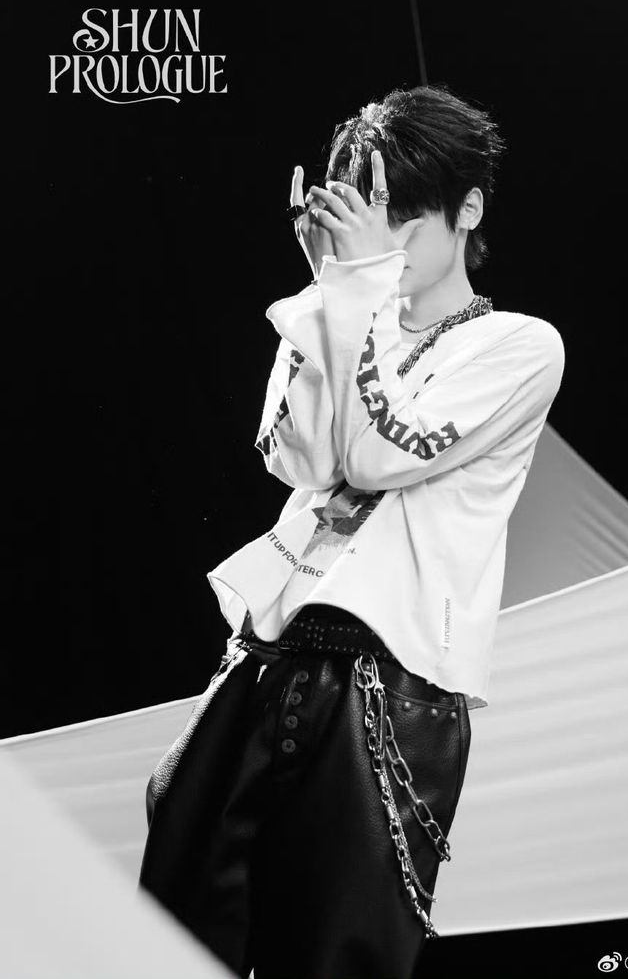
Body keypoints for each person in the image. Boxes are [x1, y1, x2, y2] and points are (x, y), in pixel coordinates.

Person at [138, 83, 566, 979]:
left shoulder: (519, 345)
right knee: (172, 932)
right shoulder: (341, 312)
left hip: (385, 683)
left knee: (333, 957)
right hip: (265, 657)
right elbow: (294, 456)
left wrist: (353, 290)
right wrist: (330, 293)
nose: (384, 243)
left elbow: (374, 458)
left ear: (468, 210)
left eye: (404, 219)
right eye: (367, 217)